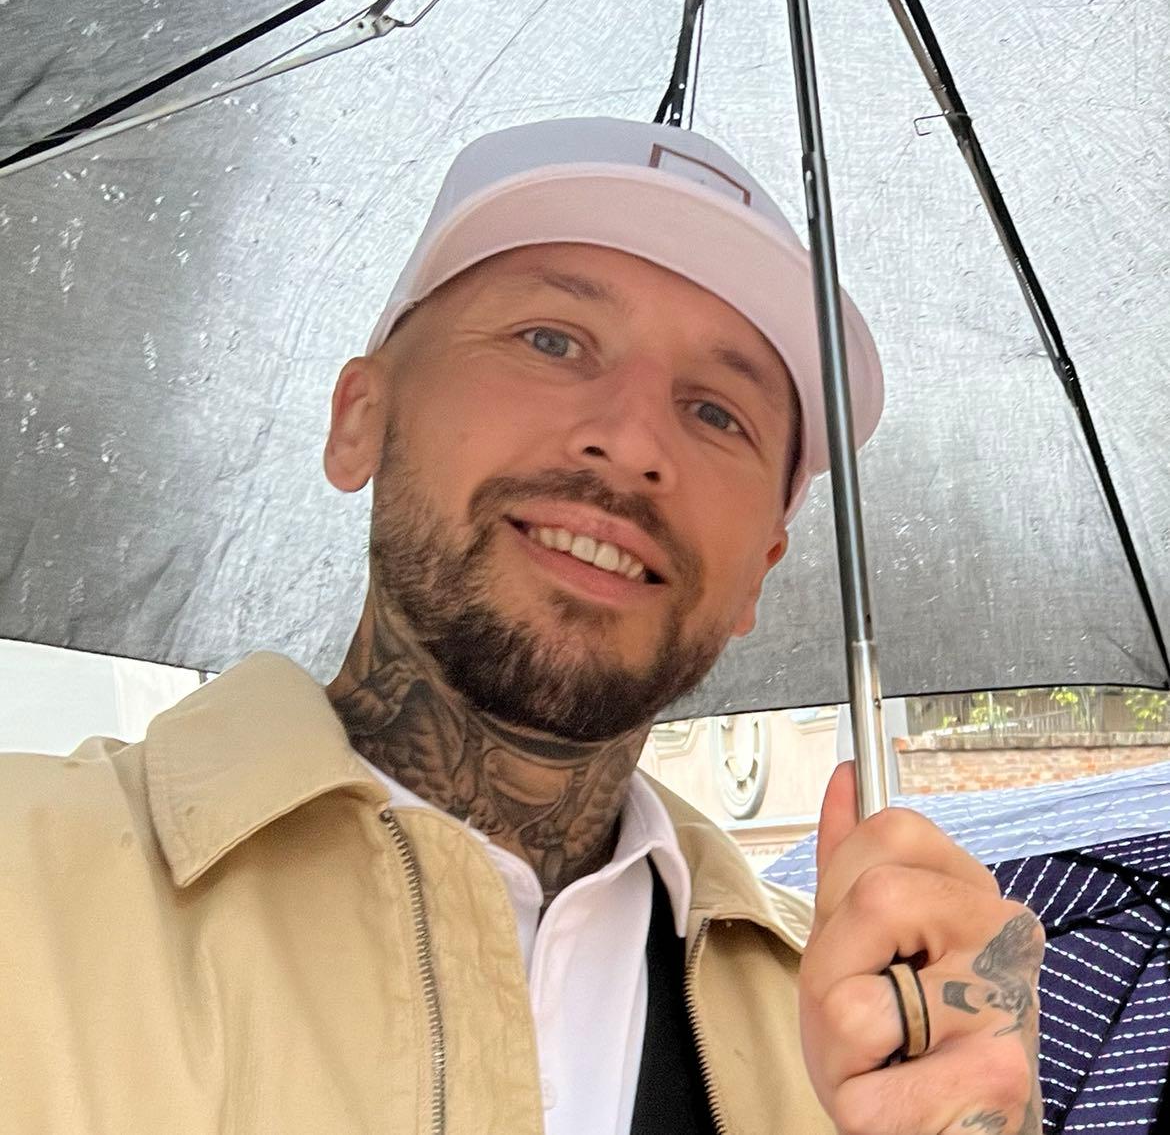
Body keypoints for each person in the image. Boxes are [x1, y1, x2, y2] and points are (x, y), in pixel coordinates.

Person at [0, 117, 1043, 1134]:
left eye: (717, 411)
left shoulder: (868, 1050)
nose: (633, 442)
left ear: (759, 574)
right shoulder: (27, 891)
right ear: (360, 419)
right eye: (552, 340)